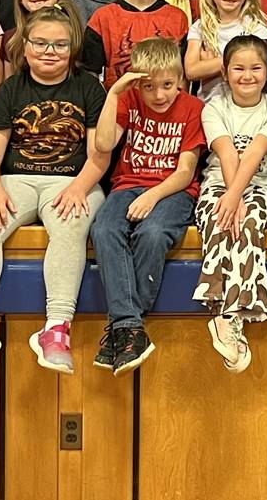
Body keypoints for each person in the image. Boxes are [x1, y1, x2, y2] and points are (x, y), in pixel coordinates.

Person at [0, 6, 108, 379]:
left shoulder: (88, 87)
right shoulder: (12, 88)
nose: (49, 51)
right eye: (40, 43)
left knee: (71, 226)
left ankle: (57, 328)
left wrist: (80, 187)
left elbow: (100, 155)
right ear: (25, 47)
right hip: (16, 177)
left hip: (73, 178)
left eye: (59, 44)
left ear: (72, 48)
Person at [88, 37, 207, 376]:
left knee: (153, 233)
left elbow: (185, 172)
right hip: (127, 184)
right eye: (149, 87)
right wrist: (113, 93)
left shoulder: (192, 108)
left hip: (173, 190)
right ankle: (131, 329)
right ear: (137, 84)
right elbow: (104, 143)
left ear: (181, 82)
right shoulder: (127, 99)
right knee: (104, 229)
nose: (158, 95)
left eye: (168, 85)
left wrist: (151, 196)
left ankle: (122, 326)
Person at [192, 35, 267, 372]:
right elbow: (227, 152)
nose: (247, 76)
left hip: (262, 185)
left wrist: (238, 197)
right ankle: (230, 320)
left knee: (248, 224)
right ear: (225, 71)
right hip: (219, 181)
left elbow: (255, 153)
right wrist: (230, 196)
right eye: (239, 69)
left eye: (256, 68)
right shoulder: (213, 107)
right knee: (219, 220)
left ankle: (223, 315)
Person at [185, 0, 267, 102]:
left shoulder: (256, 29)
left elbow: (257, 69)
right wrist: (237, 60)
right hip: (208, 106)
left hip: (246, 107)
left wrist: (214, 63)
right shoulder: (200, 27)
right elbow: (191, 71)